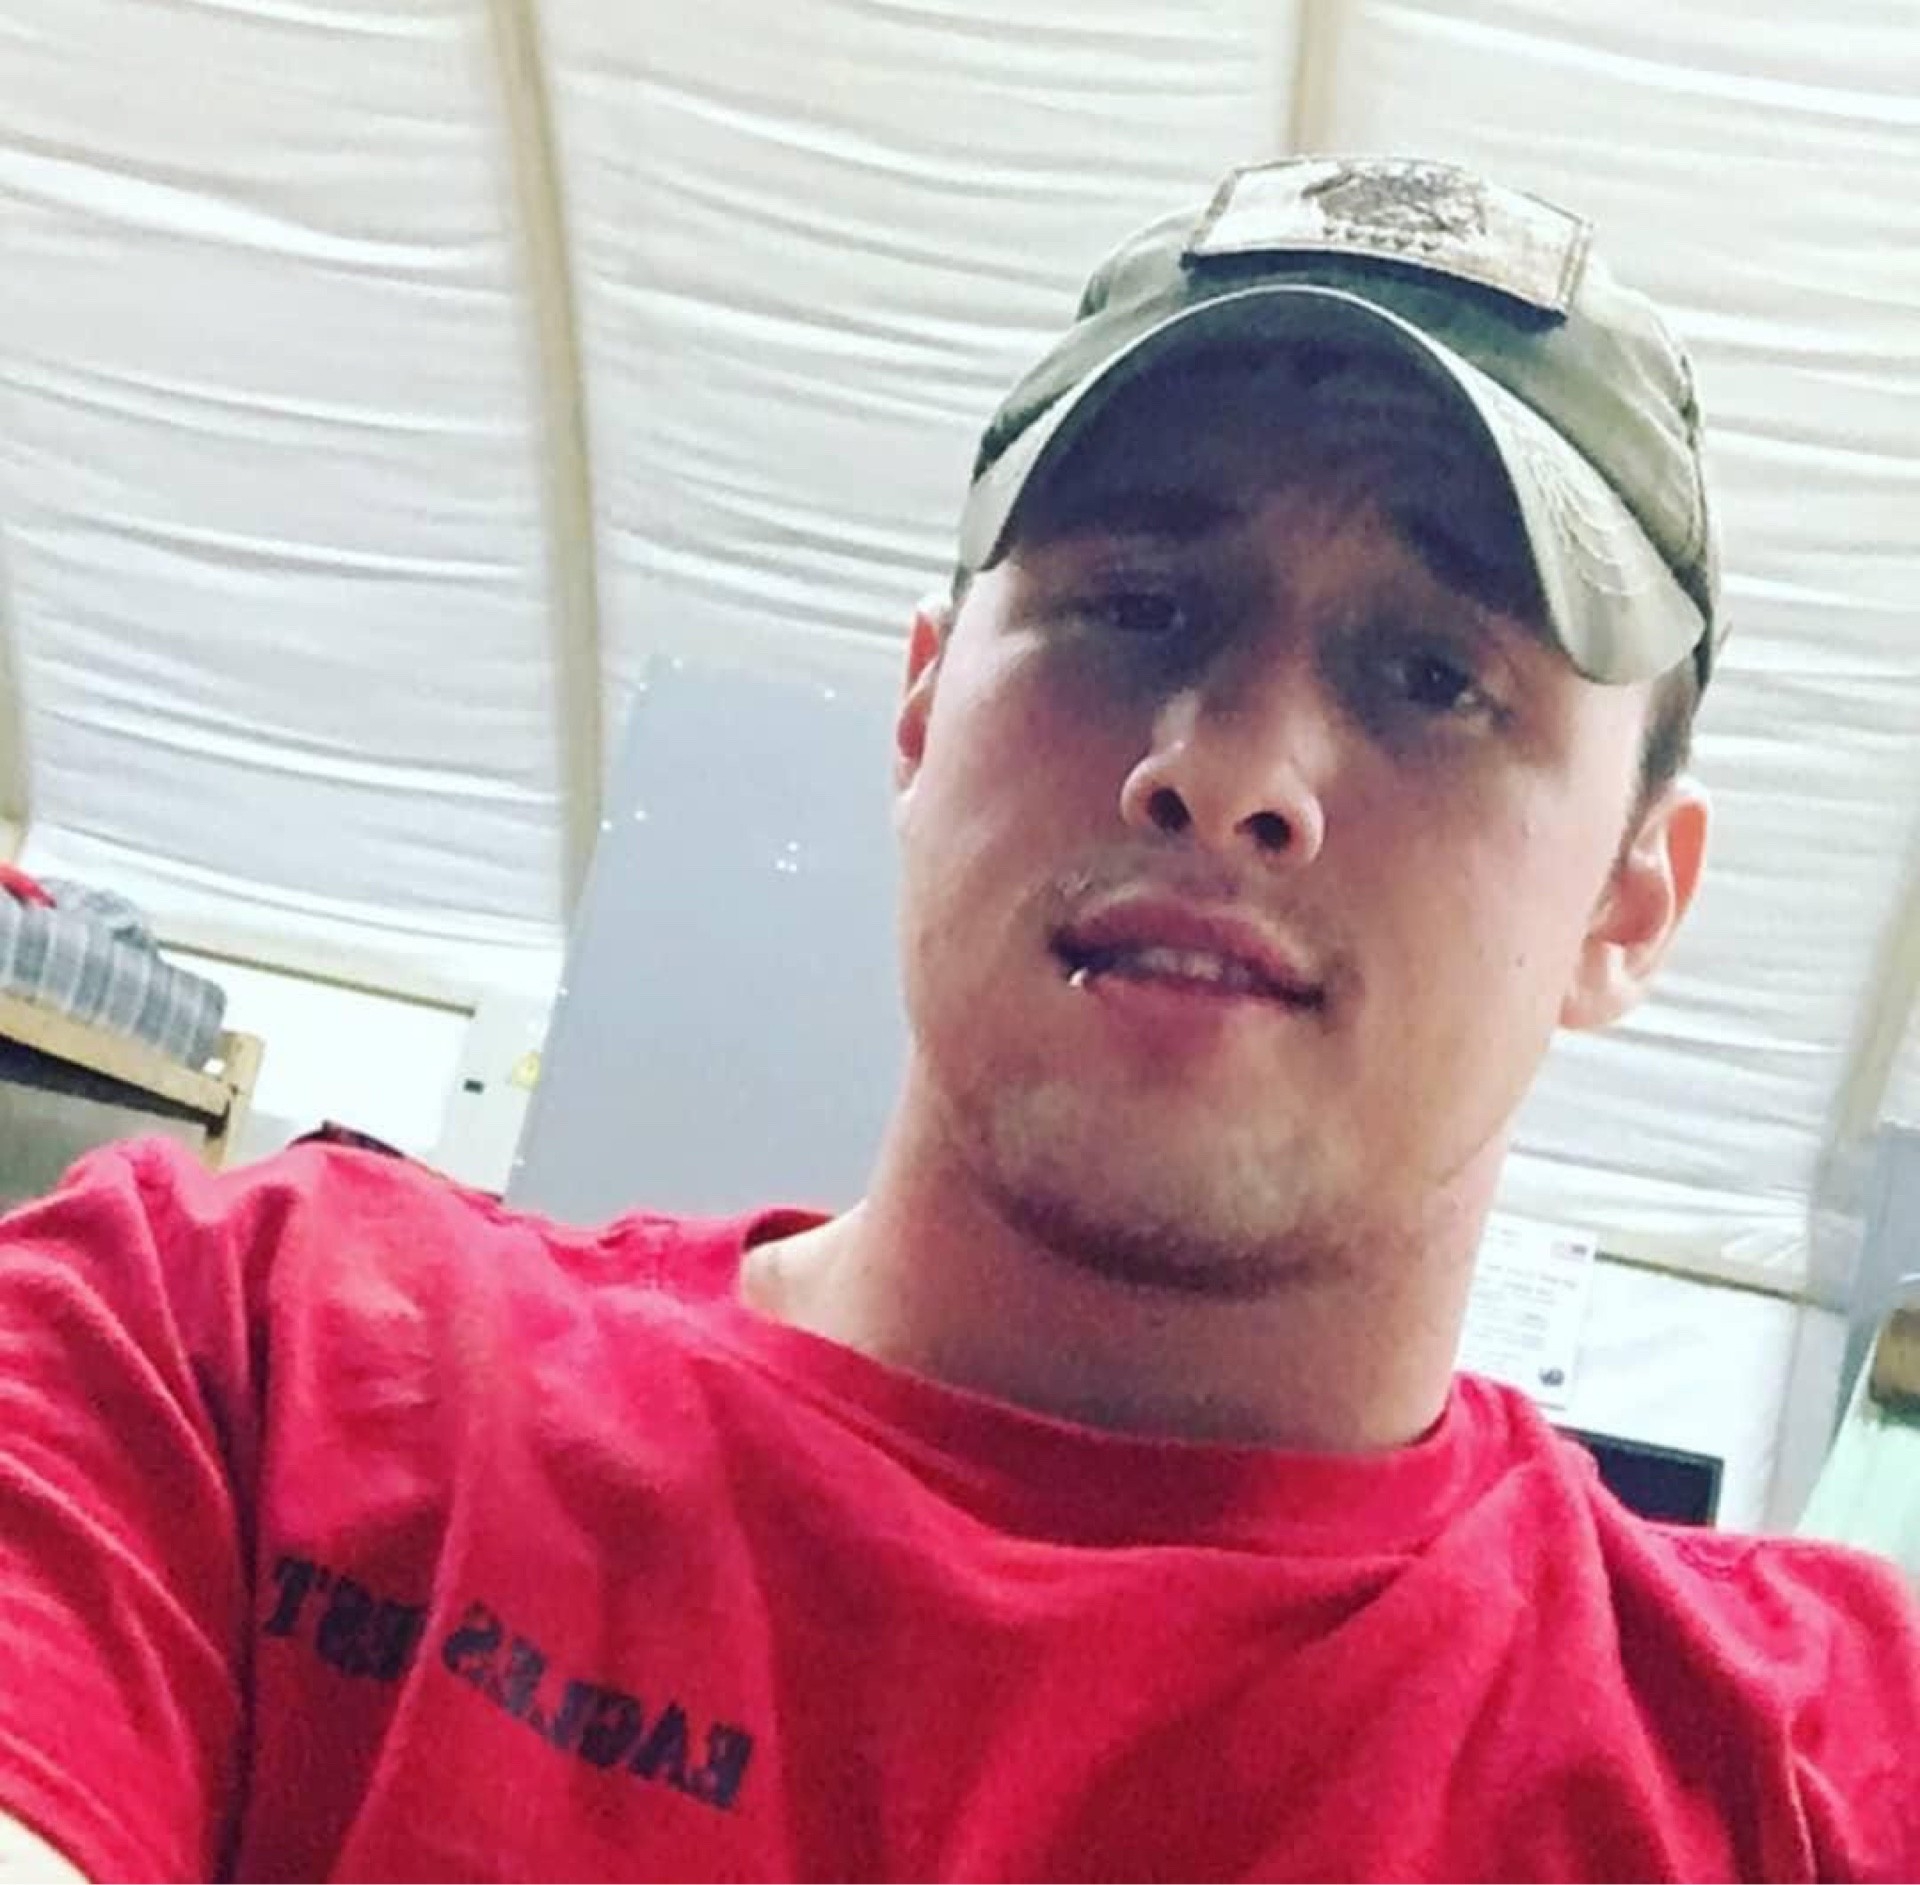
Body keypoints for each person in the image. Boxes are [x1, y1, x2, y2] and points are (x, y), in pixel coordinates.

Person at [0, 154, 1914, 1882]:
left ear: (1631, 902)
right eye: (1136, 604)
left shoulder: (1817, 1772)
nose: (1232, 771)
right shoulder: (239, 1368)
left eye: (1432, 675)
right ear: (920, 716)